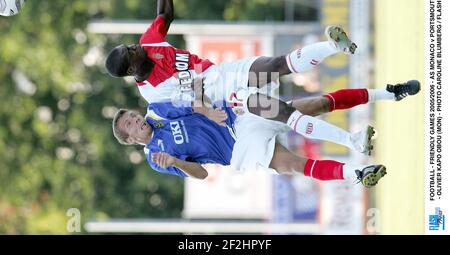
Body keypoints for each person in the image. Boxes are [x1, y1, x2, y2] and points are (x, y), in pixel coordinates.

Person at [105, 0, 421, 156]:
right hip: (228, 104)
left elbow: (166, 14)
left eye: (131, 45)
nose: (136, 47)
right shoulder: (153, 93)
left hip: (224, 74)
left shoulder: (149, 43)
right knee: (296, 110)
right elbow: (191, 108)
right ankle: (351, 142)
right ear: (131, 68)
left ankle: (360, 69)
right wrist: (211, 107)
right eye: (131, 52)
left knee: (277, 66)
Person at [111, 82, 420, 188]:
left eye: (132, 116)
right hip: (240, 149)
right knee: (296, 165)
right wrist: (177, 162)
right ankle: (358, 172)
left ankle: (389, 93)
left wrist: (206, 111)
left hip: (237, 114)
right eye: (130, 125)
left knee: (316, 103)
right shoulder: (157, 159)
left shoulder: (158, 110)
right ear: (131, 140)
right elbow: (202, 174)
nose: (136, 120)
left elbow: (190, 102)